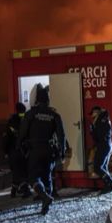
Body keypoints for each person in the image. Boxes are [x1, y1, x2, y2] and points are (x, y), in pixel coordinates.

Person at [18, 84, 66, 215]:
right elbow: (61, 135)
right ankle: (46, 206)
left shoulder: (30, 114)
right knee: (47, 177)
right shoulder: (54, 114)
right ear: (48, 100)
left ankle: (44, 197)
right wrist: (62, 151)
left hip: (35, 149)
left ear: (37, 100)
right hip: (49, 149)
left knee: (33, 177)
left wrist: (20, 147)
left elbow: (22, 133)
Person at [2, 102, 31, 198]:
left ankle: (13, 191)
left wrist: (5, 151)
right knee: (23, 171)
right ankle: (25, 190)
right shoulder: (26, 119)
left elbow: (6, 138)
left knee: (16, 171)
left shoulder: (11, 121)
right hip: (23, 150)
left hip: (13, 150)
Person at [89, 106, 112, 194]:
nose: (92, 116)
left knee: (98, 167)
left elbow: (98, 136)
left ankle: (111, 183)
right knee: (104, 167)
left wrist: (92, 129)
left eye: (93, 113)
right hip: (107, 145)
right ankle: (108, 185)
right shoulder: (104, 119)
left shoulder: (100, 121)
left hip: (103, 145)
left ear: (97, 112)